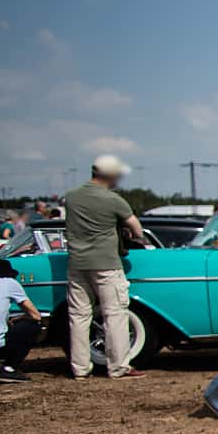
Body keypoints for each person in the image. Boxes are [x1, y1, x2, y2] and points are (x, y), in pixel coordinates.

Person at [64, 153, 146, 379]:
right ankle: (118, 366)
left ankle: (80, 368)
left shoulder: (71, 197)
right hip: (107, 263)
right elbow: (136, 229)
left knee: (79, 316)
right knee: (115, 314)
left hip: (77, 263)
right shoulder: (113, 200)